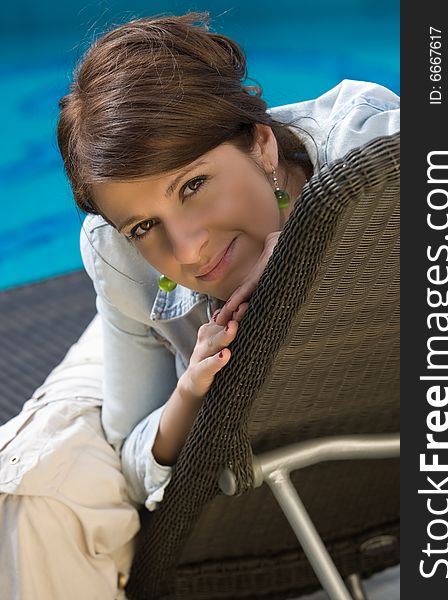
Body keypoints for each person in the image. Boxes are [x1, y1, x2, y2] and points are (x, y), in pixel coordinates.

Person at [0, 11, 400, 599]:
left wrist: (306, 244)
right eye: (144, 224)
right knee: (32, 478)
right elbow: (131, 453)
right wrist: (188, 392)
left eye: (193, 185)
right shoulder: (124, 260)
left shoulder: (369, 147)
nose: (186, 248)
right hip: (161, 315)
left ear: (262, 145)